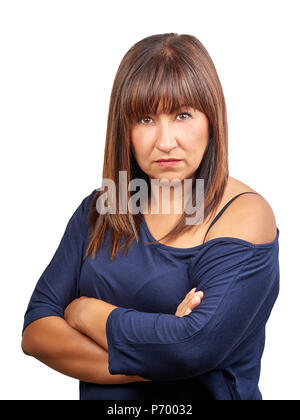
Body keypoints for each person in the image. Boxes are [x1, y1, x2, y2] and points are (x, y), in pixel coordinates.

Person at [21, 33, 280, 400]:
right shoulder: (101, 209)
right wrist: (154, 358)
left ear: (212, 119)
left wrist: (84, 312)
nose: (165, 141)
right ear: (123, 129)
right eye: (144, 118)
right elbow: (35, 333)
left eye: (182, 115)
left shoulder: (245, 214)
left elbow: (193, 347)